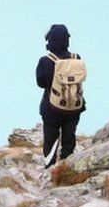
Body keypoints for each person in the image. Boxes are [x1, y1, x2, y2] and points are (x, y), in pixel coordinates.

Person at [36, 24, 85, 168]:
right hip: (74, 106)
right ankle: (66, 165)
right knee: (69, 137)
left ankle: (50, 165)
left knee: (51, 137)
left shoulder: (46, 61)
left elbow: (41, 83)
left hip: (52, 107)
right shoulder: (77, 58)